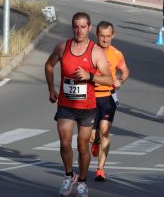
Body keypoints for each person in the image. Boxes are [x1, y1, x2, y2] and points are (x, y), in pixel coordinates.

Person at [45, 12, 113, 197]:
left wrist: (90, 76)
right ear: (72, 27)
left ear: (89, 28)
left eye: (83, 27)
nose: (79, 30)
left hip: (87, 108)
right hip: (66, 105)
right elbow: (49, 65)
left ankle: (82, 182)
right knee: (65, 143)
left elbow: (109, 79)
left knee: (83, 146)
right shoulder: (63, 47)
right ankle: (69, 176)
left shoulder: (95, 51)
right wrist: (51, 89)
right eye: (76, 26)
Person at [89, 21, 130, 182]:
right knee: (92, 137)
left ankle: (100, 169)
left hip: (107, 97)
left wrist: (121, 80)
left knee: (105, 130)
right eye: (101, 36)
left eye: (108, 36)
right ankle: (96, 142)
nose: (105, 40)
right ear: (96, 35)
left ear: (113, 35)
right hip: (91, 97)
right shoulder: (90, 51)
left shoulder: (117, 54)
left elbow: (125, 70)